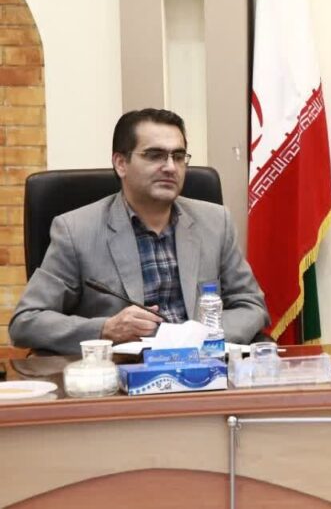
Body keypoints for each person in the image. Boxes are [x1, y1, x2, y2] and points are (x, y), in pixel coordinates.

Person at [10, 109, 269, 354]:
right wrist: (105, 329)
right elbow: (26, 321)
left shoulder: (215, 222)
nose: (170, 167)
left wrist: (203, 336)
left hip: (203, 365)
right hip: (123, 373)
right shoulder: (76, 231)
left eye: (178, 156)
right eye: (155, 155)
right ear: (121, 163)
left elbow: (251, 304)